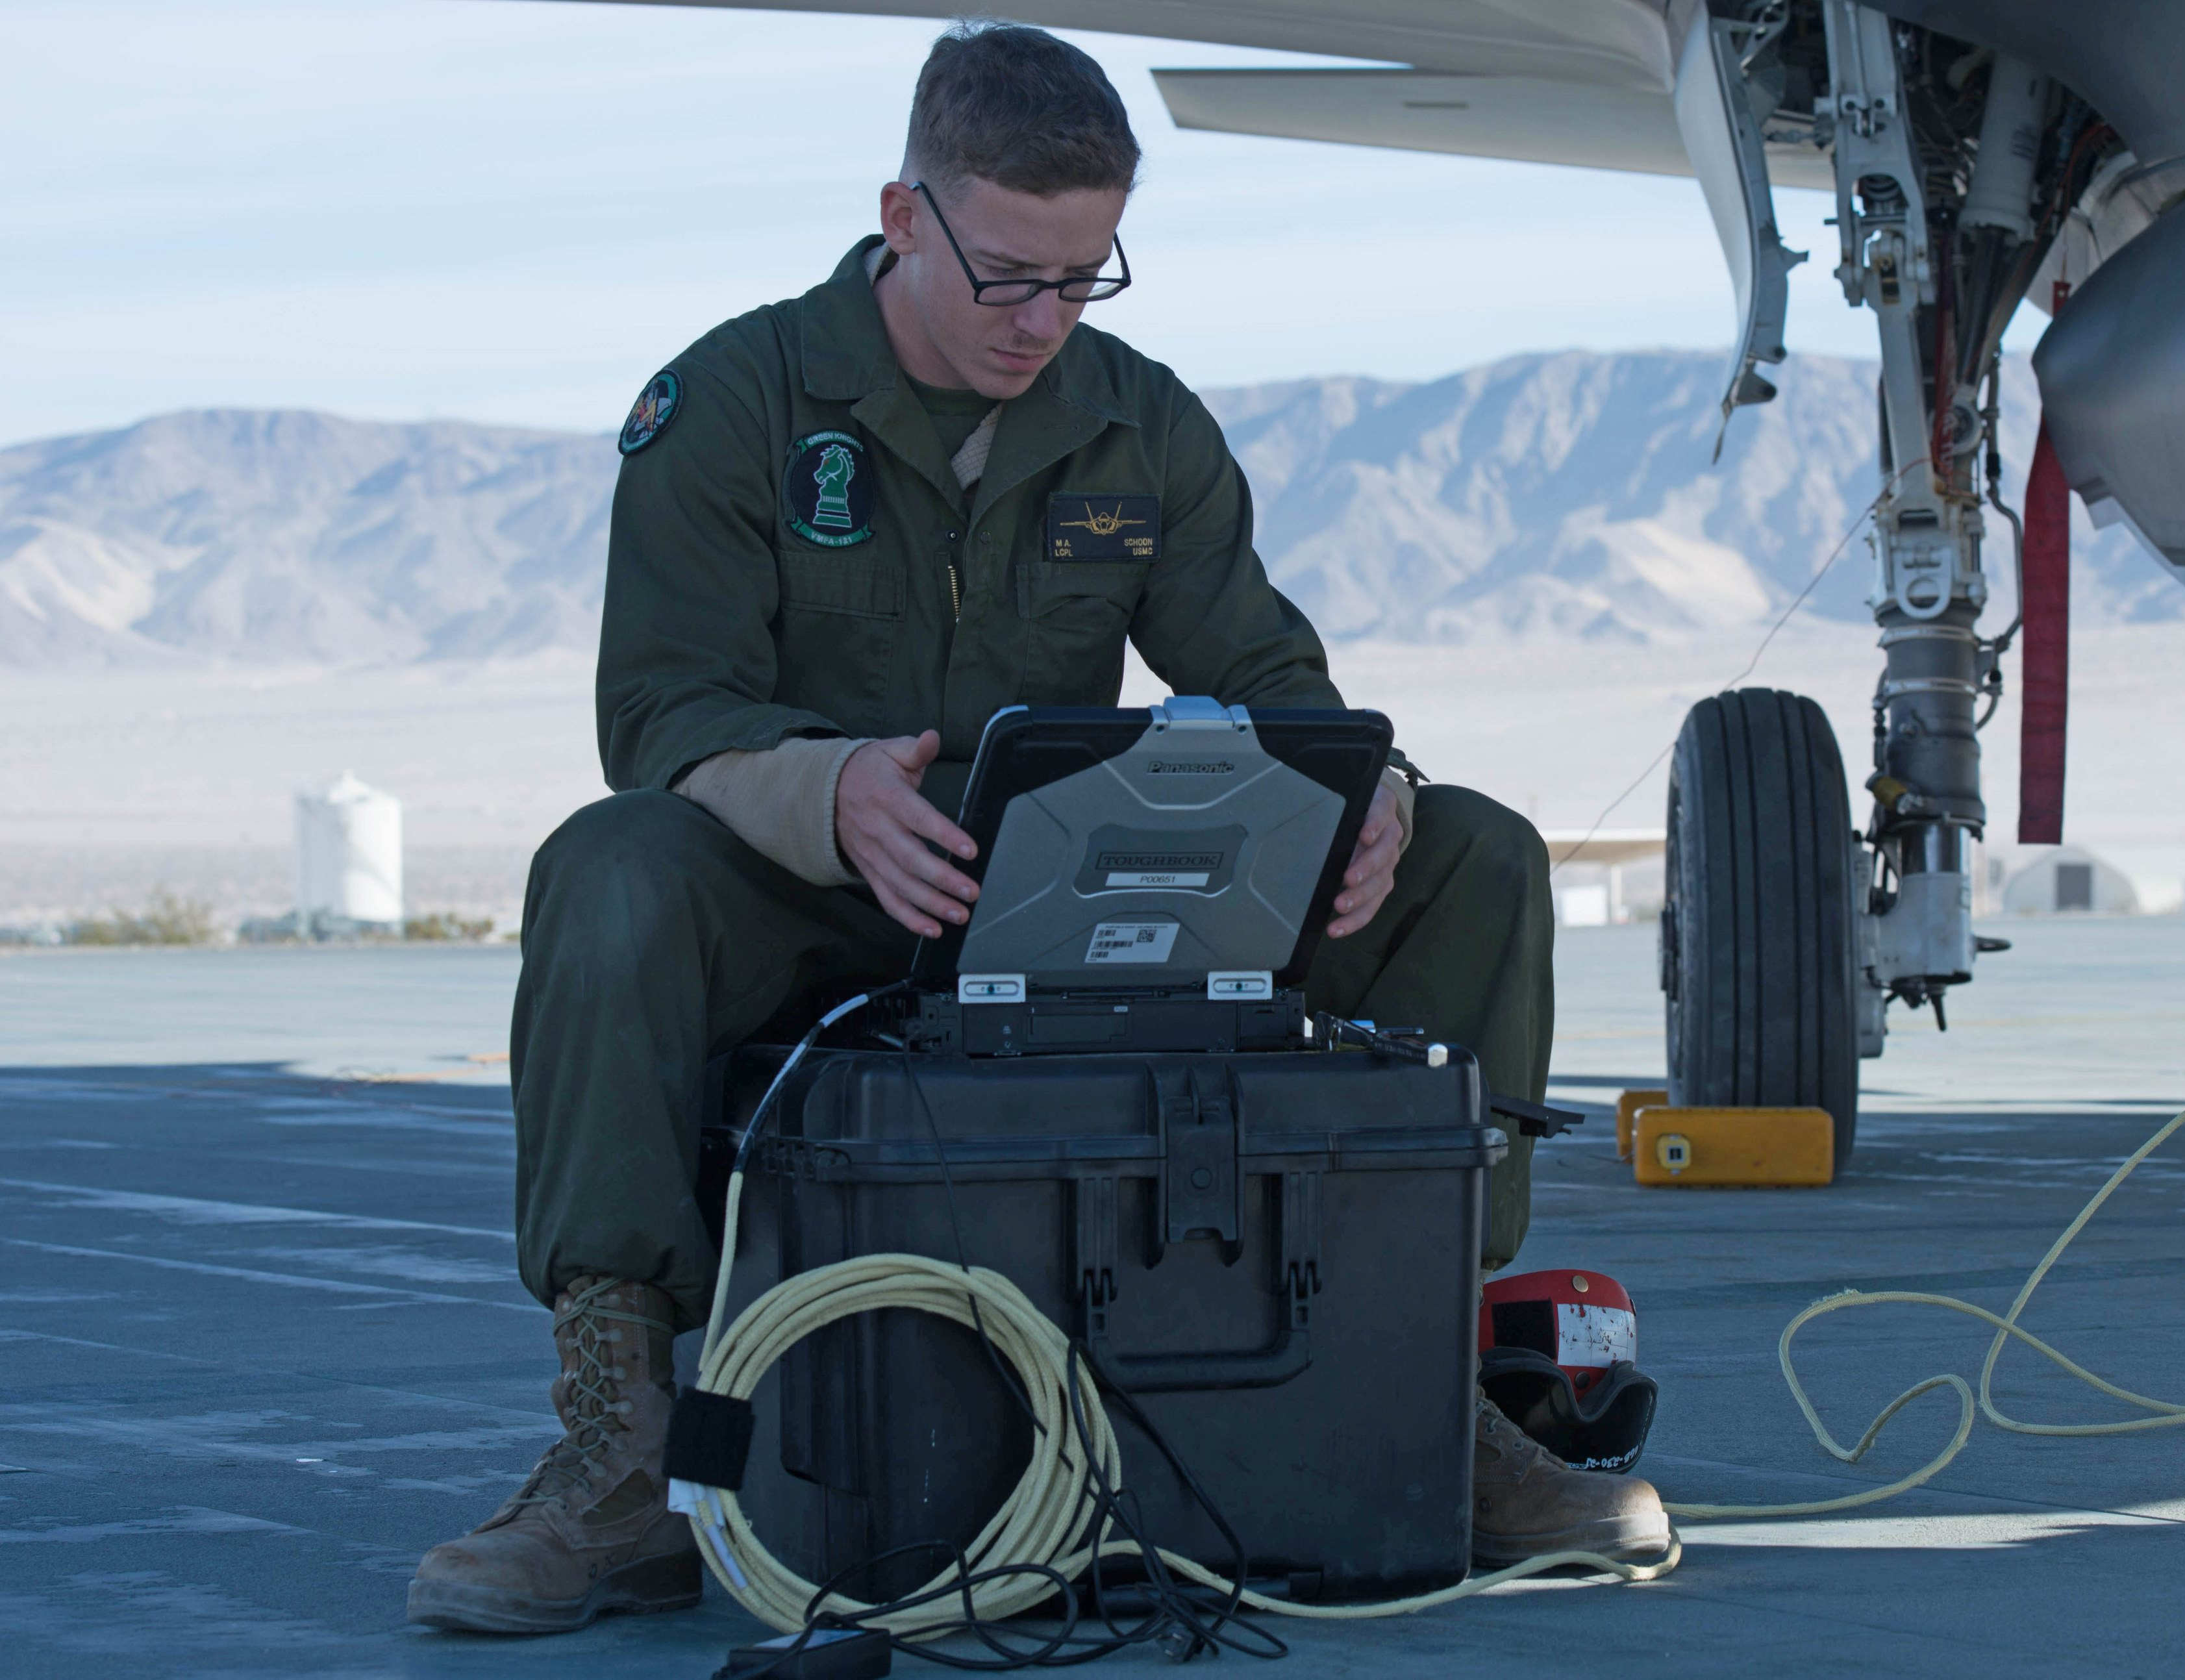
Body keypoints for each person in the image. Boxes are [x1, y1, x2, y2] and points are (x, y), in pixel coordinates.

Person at [405, 23, 1667, 1636]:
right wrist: (833, 787)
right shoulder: (735, 399)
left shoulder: (1136, 424)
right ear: (904, 213)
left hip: (1052, 901)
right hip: (804, 893)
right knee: (606, 866)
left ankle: (1429, 1392)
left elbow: (1271, 675)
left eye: (1084, 279)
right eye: (1007, 276)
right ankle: (622, 1455)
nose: (1043, 321)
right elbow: (663, 715)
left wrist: (1371, 797)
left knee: (1473, 853)